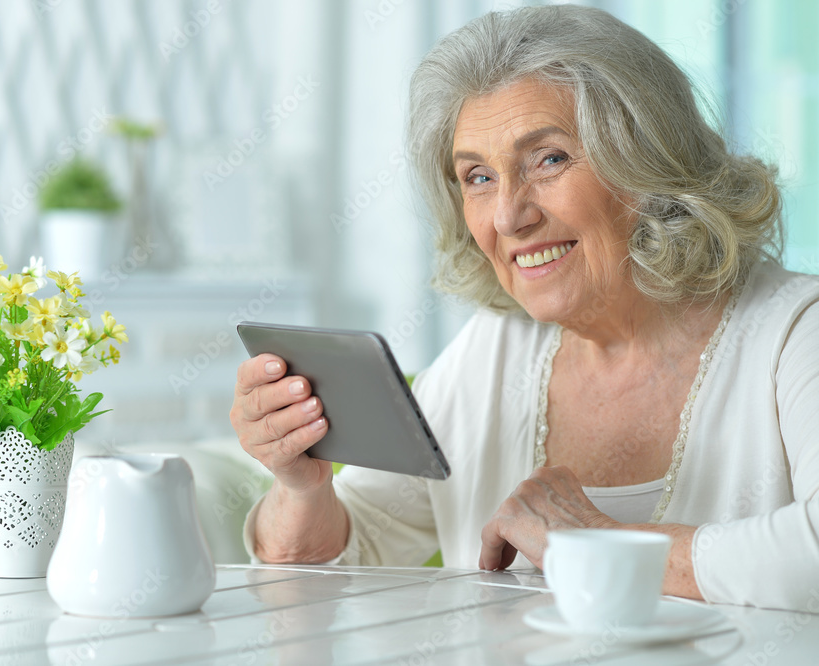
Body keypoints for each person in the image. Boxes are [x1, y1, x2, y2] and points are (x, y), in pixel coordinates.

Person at [229, 4, 819, 611]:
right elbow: (329, 568)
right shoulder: (495, 350)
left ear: (649, 164)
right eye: (478, 176)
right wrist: (301, 488)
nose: (510, 216)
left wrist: (597, 544)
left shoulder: (795, 331)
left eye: (549, 159)